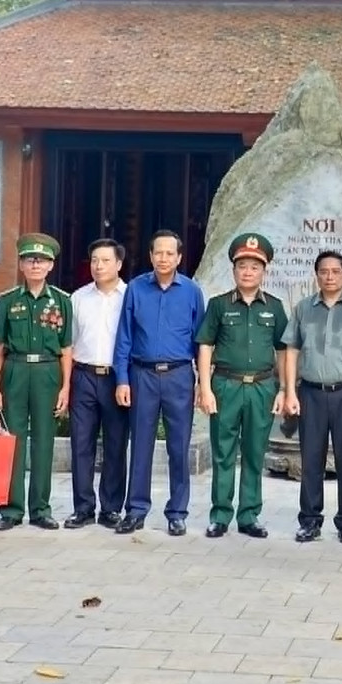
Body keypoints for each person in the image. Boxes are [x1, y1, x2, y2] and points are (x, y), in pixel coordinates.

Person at [282, 250, 342, 545]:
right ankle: (310, 521)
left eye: (335, 271)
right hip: (311, 392)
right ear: (316, 275)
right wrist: (290, 391)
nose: (329, 276)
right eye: (323, 271)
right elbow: (291, 350)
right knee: (310, 458)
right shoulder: (303, 309)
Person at [112, 229, 205, 536]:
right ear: (150, 256)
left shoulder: (192, 292)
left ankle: (177, 512)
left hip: (179, 376)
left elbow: (200, 340)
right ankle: (136, 510)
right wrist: (122, 380)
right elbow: (124, 337)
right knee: (140, 445)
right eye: (158, 253)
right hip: (142, 375)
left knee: (179, 447)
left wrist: (201, 382)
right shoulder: (136, 289)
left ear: (179, 257)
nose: (163, 258)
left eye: (170, 253)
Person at [195, 232, 287, 539]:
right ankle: (220, 515)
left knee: (254, 452)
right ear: (234, 270)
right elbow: (205, 345)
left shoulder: (274, 307)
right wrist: (205, 388)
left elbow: (283, 351)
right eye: (242, 266)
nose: (248, 272)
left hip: (262, 387)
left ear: (264, 271)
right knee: (223, 451)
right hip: (226, 385)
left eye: (254, 267)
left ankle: (249, 515)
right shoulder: (219, 305)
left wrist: (284, 389)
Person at [0, 233, 72, 531]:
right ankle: (12, 509)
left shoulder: (62, 301)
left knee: (43, 440)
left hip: (47, 372)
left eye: (42, 260)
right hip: (16, 370)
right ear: (21, 264)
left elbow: (66, 348)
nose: (35, 265)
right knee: (12, 440)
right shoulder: (7, 300)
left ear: (51, 265)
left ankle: (40, 508)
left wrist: (66, 387)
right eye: (30, 260)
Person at [65, 237, 129, 529]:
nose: (98, 266)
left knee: (115, 444)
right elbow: (68, 343)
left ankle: (111, 508)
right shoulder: (78, 298)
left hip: (117, 378)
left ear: (119, 264)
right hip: (84, 376)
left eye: (105, 260)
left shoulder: (130, 297)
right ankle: (83, 508)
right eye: (94, 260)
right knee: (81, 443)